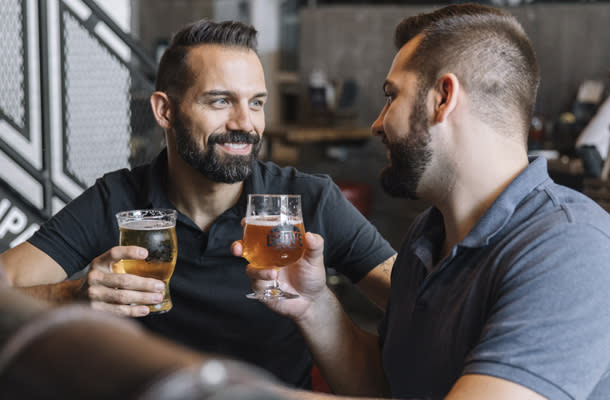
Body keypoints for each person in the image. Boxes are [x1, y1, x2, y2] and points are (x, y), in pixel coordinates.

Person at [235, 4, 610, 400]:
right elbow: (388, 388)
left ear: (443, 97)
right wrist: (313, 306)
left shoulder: (570, 249)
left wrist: (231, 390)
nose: (378, 122)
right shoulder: (426, 237)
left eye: (391, 95)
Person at [0, 19, 396, 389]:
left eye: (256, 102)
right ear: (165, 110)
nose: (246, 123)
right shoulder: (119, 198)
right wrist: (74, 296)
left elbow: (419, 300)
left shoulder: (309, 199)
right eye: (221, 101)